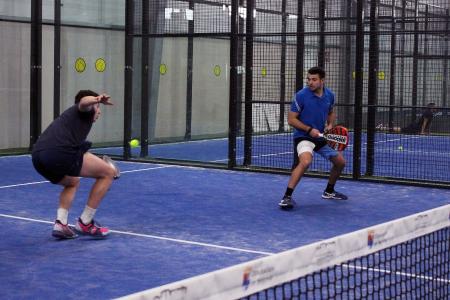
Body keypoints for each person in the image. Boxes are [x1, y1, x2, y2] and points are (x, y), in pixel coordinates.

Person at [32, 90, 118, 239]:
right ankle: (85, 222)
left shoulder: (72, 122)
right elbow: (84, 102)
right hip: (59, 153)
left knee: (72, 182)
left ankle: (61, 224)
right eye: (98, 107)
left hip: (38, 157)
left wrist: (99, 164)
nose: (99, 112)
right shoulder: (84, 110)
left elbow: (81, 153)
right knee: (108, 173)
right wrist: (96, 99)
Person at [279, 67, 347, 210]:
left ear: (322, 80)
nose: (310, 82)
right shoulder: (301, 95)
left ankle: (329, 191)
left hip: (320, 137)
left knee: (340, 162)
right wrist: (309, 130)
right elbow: (291, 120)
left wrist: (330, 124)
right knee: (305, 161)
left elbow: (330, 112)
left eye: (314, 79)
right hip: (303, 136)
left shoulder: (330, 95)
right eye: (308, 79)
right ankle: (287, 197)